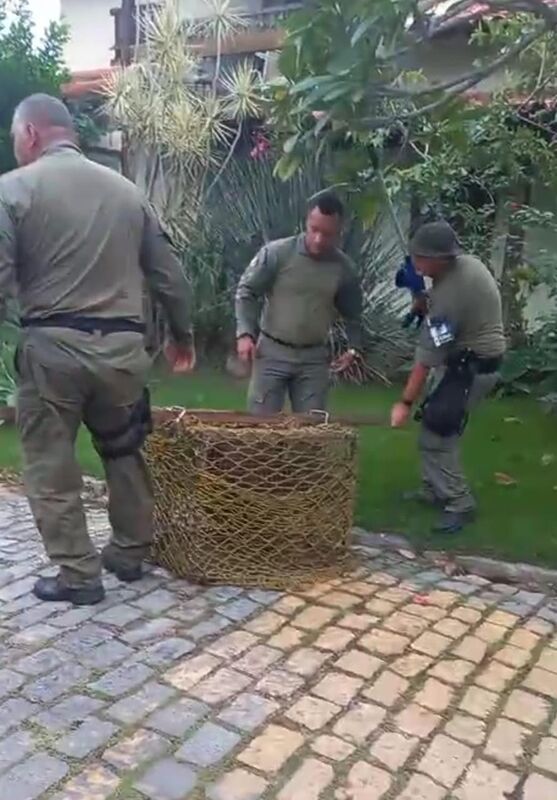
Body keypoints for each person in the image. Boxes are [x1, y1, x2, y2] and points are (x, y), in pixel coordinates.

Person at [0, 94, 195, 606]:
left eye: (15, 137)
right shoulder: (128, 192)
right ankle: (130, 552)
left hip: (53, 353)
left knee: (49, 462)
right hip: (123, 353)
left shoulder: (12, 190)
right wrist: (183, 337)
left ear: (32, 135)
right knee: (123, 449)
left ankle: (77, 574)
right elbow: (170, 277)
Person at [391, 220, 505, 534]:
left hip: (471, 369)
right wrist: (422, 300)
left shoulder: (447, 299)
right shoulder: (466, 266)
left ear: (438, 259)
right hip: (468, 361)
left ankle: (459, 502)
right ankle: (433, 489)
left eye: (419, 258)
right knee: (436, 424)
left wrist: (404, 403)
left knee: (437, 436)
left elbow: (426, 360)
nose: (414, 262)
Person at [235, 193, 363, 414]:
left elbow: (353, 312)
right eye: (314, 230)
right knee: (261, 430)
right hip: (272, 352)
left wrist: (353, 348)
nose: (319, 240)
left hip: (313, 360)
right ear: (306, 222)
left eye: (328, 234)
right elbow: (247, 291)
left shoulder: (343, 268)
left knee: (311, 432)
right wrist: (245, 333)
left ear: (339, 231)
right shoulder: (277, 254)